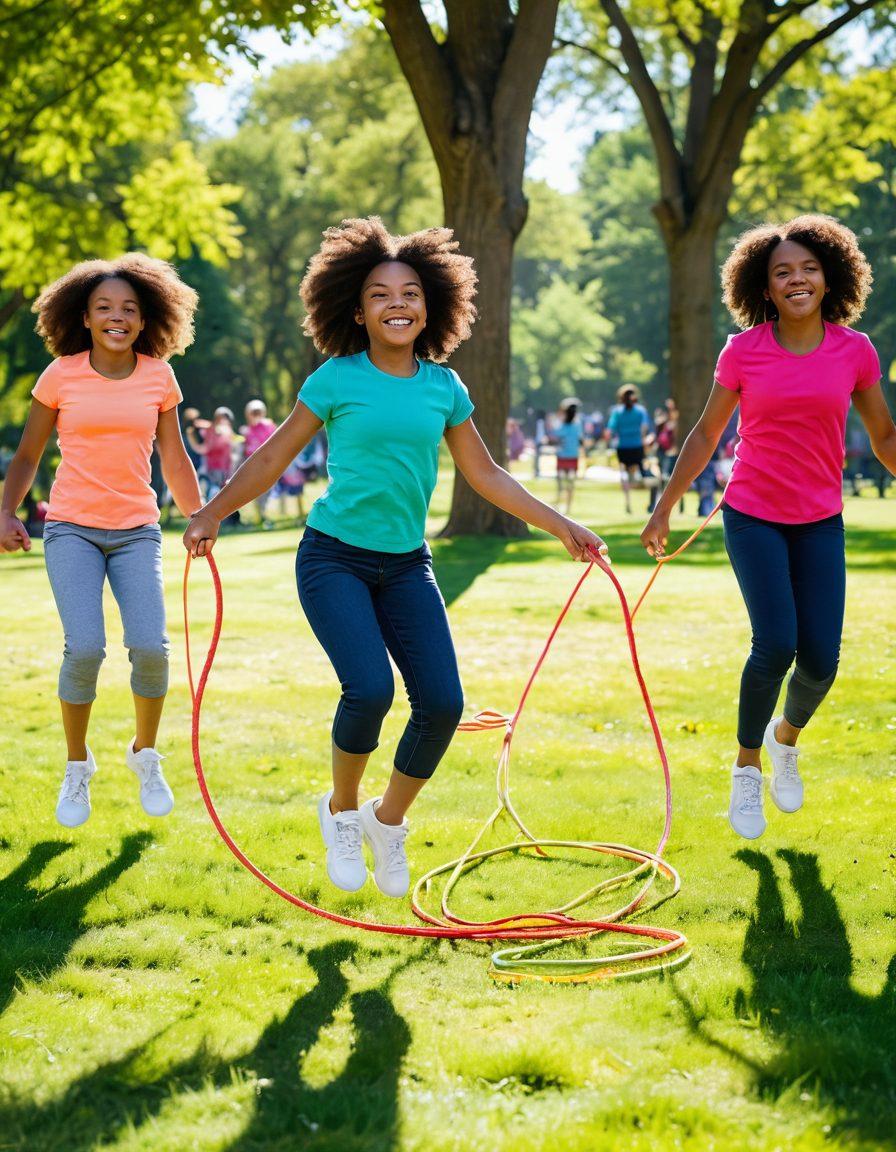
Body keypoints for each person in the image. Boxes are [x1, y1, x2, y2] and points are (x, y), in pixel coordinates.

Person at [183, 216, 608, 900]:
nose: (398, 303)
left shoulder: (443, 387)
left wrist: (564, 525)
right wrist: (211, 511)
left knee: (441, 703)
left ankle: (388, 821)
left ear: (431, 305)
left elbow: (489, 475)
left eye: (410, 291)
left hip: (407, 565)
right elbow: (271, 457)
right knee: (371, 690)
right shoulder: (334, 380)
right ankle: (343, 812)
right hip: (333, 560)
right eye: (381, 294)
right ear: (357, 310)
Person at [640, 214, 896, 841]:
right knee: (776, 643)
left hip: (819, 521)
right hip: (752, 514)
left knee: (822, 660)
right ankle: (747, 769)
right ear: (764, 285)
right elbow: (705, 433)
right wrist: (666, 503)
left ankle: (786, 740)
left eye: (808, 268)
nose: (797, 279)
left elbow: (884, 435)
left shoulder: (855, 351)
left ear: (831, 275)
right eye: (783, 271)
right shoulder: (744, 350)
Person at [0, 253, 203, 827]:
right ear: (83, 317)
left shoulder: (159, 375)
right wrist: (5, 511)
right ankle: (77, 765)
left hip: (137, 531)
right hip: (71, 529)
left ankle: (144, 753)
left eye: (129, 309)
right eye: (104, 308)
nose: (117, 317)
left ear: (146, 320)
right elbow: (28, 454)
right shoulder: (61, 374)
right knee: (85, 647)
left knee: (152, 649)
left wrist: (199, 516)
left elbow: (173, 455)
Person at [605, 385, 655, 513]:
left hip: (622, 447)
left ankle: (628, 502)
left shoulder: (617, 411)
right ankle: (652, 499)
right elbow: (644, 427)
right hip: (637, 446)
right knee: (643, 474)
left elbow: (611, 429)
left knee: (624, 475)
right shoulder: (640, 410)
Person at [240, 399, 278, 527]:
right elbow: (246, 448)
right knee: (257, 493)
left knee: (267, 492)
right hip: (254, 467)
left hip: (268, 465)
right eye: (253, 413)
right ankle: (261, 516)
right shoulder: (247, 430)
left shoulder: (268, 426)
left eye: (258, 412)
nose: (256, 415)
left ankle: (264, 515)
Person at [551, 397, 584, 515]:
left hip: (562, 456)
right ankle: (568, 507)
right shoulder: (577, 424)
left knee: (560, 483)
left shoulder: (561, 424)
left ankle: (558, 505)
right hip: (572, 456)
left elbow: (555, 435)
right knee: (570, 483)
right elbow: (580, 440)